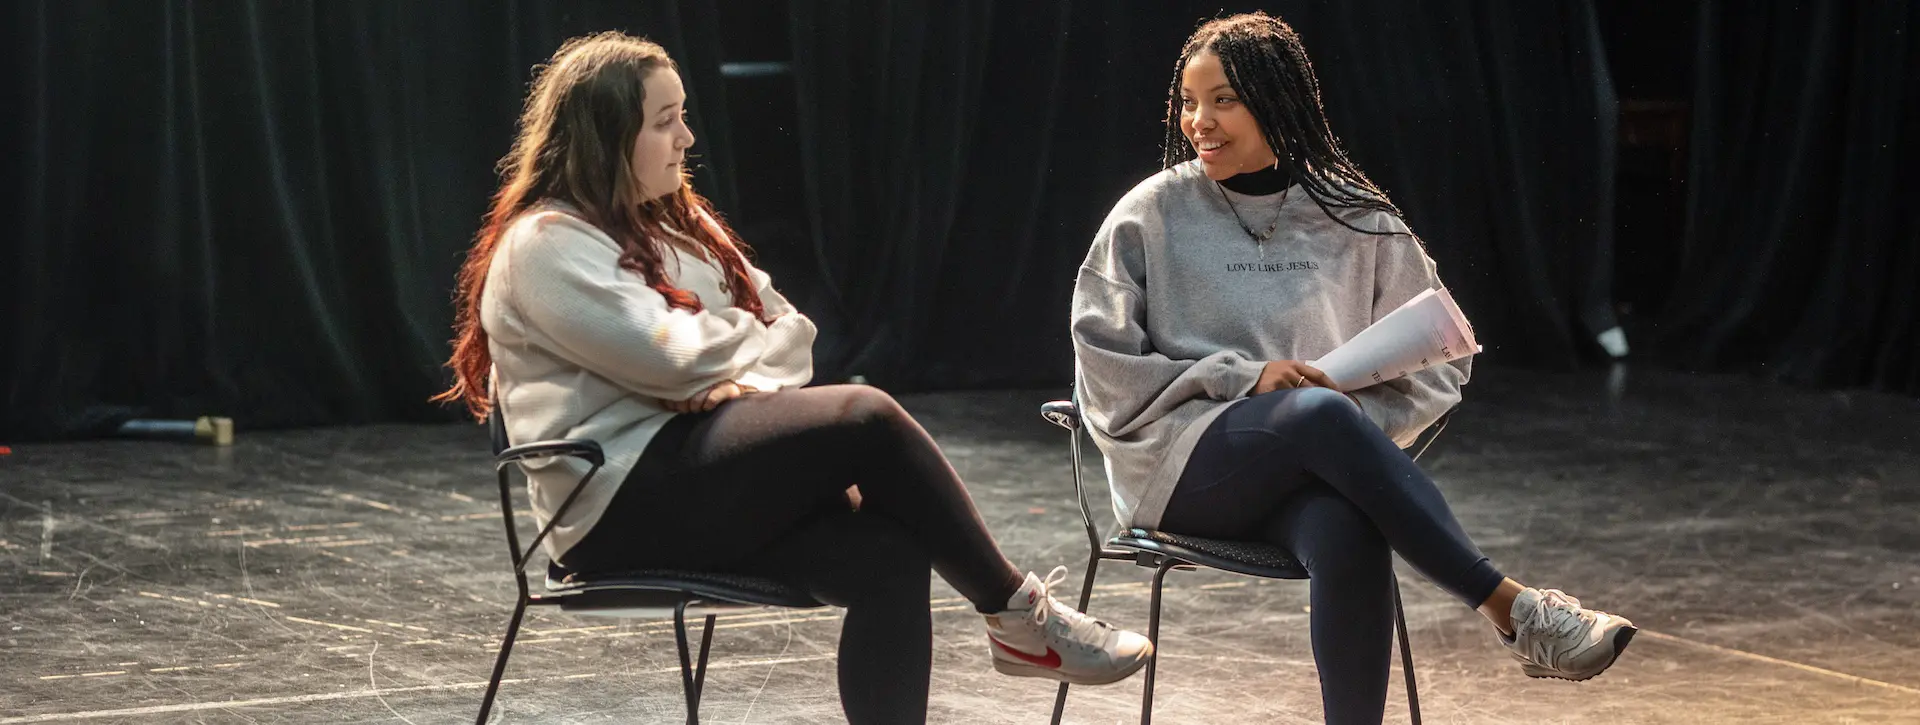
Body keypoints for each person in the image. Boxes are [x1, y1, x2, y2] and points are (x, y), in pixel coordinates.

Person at [435, 31, 1150, 724]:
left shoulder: (679, 230)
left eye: (683, 115)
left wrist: (716, 371)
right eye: (664, 121)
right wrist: (725, 360)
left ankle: (1012, 629)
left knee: (889, 555)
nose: (686, 138)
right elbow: (673, 357)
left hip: (693, 471)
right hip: (614, 509)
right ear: (606, 137)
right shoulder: (547, 244)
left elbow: (795, 336)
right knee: (863, 417)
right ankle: (1022, 618)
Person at [1070, 13, 1634, 724]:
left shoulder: (1354, 215)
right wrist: (1245, 379)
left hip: (1305, 465)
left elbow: (1441, 360)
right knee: (1316, 416)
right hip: (1179, 467)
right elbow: (1104, 365)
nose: (1198, 121)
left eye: (1223, 100)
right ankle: (1513, 607)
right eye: (1188, 101)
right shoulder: (1150, 215)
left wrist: (1345, 423)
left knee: (1349, 523)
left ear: (1277, 101)